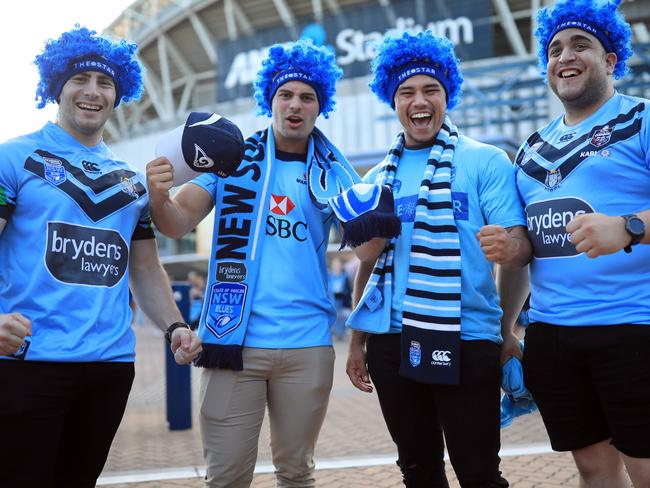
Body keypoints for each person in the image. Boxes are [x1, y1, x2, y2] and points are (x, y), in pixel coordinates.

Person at [146, 40, 372, 487]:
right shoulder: (231, 160)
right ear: (269, 99)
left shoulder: (335, 174)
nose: (295, 105)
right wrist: (158, 195)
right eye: (286, 94)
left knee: (296, 472)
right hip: (232, 343)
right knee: (226, 477)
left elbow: (366, 252)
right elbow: (177, 221)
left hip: (307, 343)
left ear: (320, 107)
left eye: (308, 97)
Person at [0, 26, 202, 488]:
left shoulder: (130, 182)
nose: (92, 92)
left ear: (118, 94)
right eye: (80, 79)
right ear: (56, 87)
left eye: (105, 82)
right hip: (28, 363)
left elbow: (146, 269)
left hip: (108, 368)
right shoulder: (13, 158)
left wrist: (175, 327)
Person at [345, 31, 532, 488]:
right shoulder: (376, 178)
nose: (419, 101)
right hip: (391, 340)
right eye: (407, 92)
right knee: (418, 470)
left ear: (448, 94)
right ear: (393, 99)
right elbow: (368, 263)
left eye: (431, 90)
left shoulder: (485, 161)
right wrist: (355, 342)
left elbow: (516, 252)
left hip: (468, 337)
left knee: (479, 472)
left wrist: (505, 329)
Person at [512, 0, 650, 486]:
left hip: (634, 325)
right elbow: (522, 250)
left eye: (580, 44)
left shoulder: (642, 119)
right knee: (593, 470)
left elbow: (630, 226)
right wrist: (509, 327)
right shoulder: (530, 150)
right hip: (552, 336)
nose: (564, 55)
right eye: (554, 48)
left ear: (611, 60)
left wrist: (630, 227)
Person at [328, 257, 352, 341]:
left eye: (338, 265)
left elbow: (348, 290)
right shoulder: (329, 276)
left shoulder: (344, 277)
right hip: (332, 300)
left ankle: (342, 333)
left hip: (342, 300)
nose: (336, 267)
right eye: (335, 265)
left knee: (342, 317)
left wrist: (348, 304)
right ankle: (335, 333)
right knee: (334, 317)